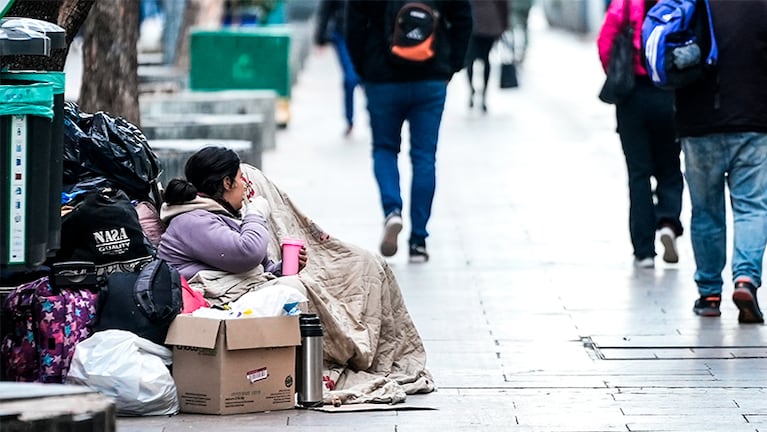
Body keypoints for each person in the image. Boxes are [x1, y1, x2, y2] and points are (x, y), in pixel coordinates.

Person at [345, 0, 472, 262]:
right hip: (431, 77)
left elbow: (354, 24)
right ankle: (418, 241)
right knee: (424, 156)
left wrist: (364, 68)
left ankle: (392, 210)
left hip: (381, 77)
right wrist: (451, 65)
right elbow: (463, 20)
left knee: (384, 149)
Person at [674, 1, 767, 323]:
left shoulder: (690, 4)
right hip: (753, 121)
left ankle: (709, 294)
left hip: (697, 123)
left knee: (706, 212)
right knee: (752, 207)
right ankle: (745, 280)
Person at [597, 0, 683, 270]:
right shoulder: (677, 5)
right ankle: (668, 221)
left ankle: (644, 251)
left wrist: (618, 74)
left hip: (632, 96)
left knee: (638, 173)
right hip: (669, 95)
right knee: (670, 168)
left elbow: (605, 42)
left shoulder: (624, 4)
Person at [157, 146, 307, 280]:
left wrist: (285, 267)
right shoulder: (191, 221)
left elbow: (263, 270)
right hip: (199, 302)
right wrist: (255, 214)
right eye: (241, 178)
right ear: (227, 182)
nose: (245, 185)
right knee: (291, 289)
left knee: (293, 286)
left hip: (226, 296)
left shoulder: (219, 215)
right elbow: (248, 253)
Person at [314, 0, 359, 136]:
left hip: (365, 33)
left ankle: (375, 114)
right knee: (350, 78)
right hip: (342, 34)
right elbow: (325, 10)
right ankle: (349, 120)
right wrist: (320, 38)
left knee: (365, 78)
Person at [466, 0, 508, 112]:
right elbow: (503, 4)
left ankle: (472, 90)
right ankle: (483, 94)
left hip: (472, 22)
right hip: (489, 23)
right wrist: (504, 25)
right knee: (485, 59)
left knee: (470, 60)